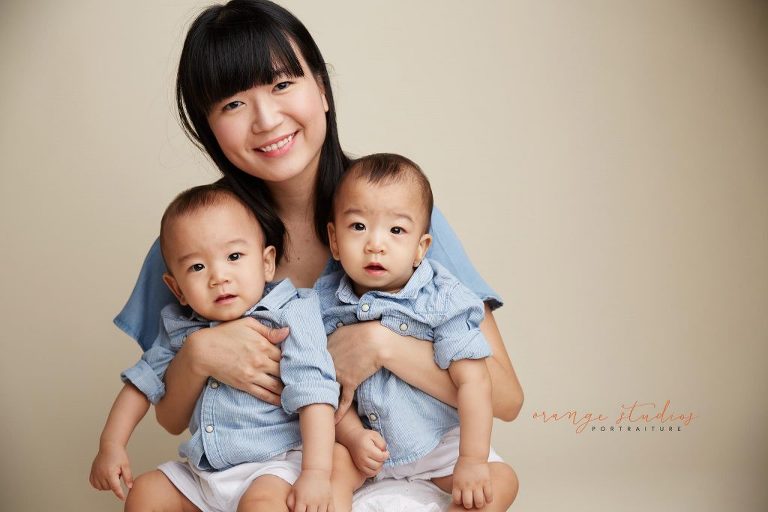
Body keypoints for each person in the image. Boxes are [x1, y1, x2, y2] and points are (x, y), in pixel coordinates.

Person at [115, 0, 523, 504]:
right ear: (210, 128)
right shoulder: (196, 243)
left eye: (283, 85)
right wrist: (199, 356)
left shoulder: (397, 218)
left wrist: (379, 345)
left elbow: (504, 398)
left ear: (323, 90)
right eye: (232, 104)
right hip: (275, 477)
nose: (266, 119)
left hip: (407, 469)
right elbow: (169, 414)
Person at [91, 183, 339, 512]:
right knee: (147, 493)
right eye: (197, 267)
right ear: (177, 288)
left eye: (234, 256)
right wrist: (111, 445)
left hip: (274, 465)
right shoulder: (179, 327)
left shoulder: (290, 313)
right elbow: (141, 385)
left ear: (267, 262)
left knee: (261, 505)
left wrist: (316, 473)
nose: (218, 276)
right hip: (205, 470)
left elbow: (315, 393)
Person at [317, 153, 517, 511]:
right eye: (358, 227)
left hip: (440, 447)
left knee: (501, 480)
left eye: (396, 231)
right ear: (334, 240)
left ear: (420, 248)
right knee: (327, 469)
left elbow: (474, 381)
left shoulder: (443, 298)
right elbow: (328, 389)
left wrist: (470, 460)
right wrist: (354, 435)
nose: (375, 244)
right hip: (369, 455)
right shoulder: (325, 304)